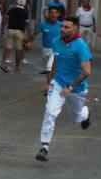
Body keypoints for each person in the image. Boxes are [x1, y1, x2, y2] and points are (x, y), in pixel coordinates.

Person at [35, 15, 92, 162]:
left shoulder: (80, 45)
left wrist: (70, 87)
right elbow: (54, 64)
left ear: (74, 28)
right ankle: (44, 146)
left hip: (77, 87)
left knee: (76, 118)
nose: (62, 29)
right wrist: (49, 83)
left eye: (66, 27)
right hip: (58, 82)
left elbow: (87, 71)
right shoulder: (56, 42)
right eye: (62, 26)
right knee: (50, 110)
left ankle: (86, 114)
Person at [2, 0, 29, 73]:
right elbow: (26, 23)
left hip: (10, 30)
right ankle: (17, 68)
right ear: (24, 4)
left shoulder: (12, 10)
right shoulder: (25, 12)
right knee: (18, 50)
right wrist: (27, 34)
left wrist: (5, 27)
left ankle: (3, 63)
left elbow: (6, 19)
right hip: (19, 32)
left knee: (8, 48)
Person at [37, 5, 62, 76]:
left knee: (49, 66)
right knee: (48, 66)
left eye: (55, 13)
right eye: (51, 13)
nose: (53, 14)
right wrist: (28, 41)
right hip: (45, 48)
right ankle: (51, 79)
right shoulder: (43, 25)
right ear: (49, 14)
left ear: (58, 14)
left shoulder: (61, 25)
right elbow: (35, 33)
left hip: (56, 49)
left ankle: (50, 84)